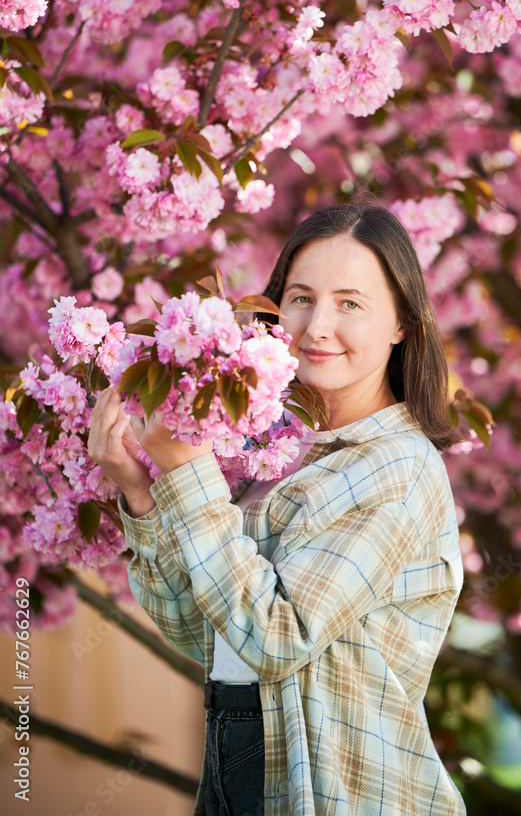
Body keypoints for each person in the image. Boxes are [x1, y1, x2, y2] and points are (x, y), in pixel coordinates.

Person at [88, 202, 466, 816]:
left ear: (402, 324)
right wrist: (140, 494)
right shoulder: (272, 452)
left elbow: (275, 638)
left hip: (339, 789)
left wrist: (187, 471)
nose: (317, 326)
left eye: (350, 303)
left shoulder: (397, 469)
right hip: (235, 759)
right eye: (300, 297)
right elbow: (203, 632)